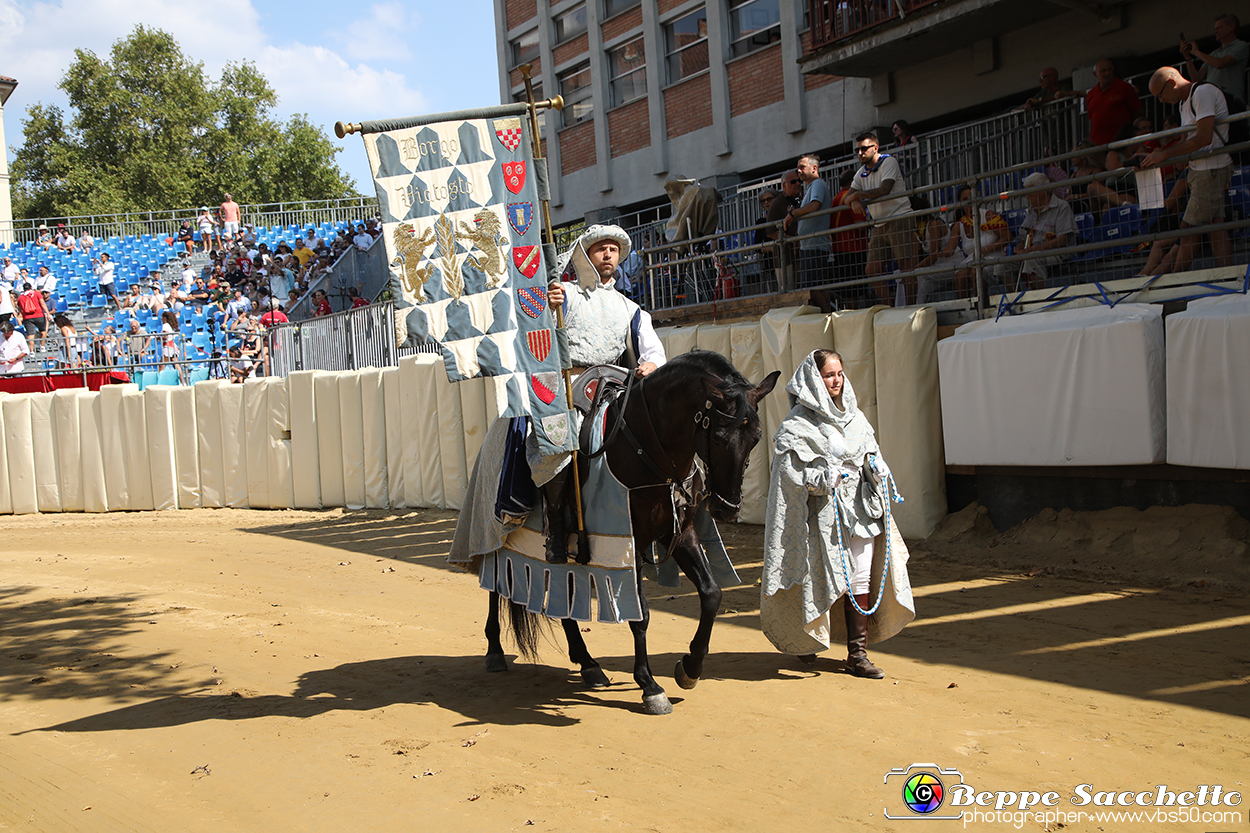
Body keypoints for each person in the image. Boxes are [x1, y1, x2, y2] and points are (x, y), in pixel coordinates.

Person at [760, 349, 913, 677]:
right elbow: (789, 475)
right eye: (830, 375)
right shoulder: (797, 425)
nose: (837, 381)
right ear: (815, 378)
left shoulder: (856, 418)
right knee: (819, 578)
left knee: (860, 576)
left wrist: (876, 466)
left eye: (840, 374)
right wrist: (821, 479)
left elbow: (869, 452)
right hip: (820, 519)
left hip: (860, 510)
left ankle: (857, 654)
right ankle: (808, 638)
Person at [543, 224, 667, 562]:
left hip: (616, 386)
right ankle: (555, 527)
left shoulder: (631, 308)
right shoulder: (562, 293)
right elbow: (536, 333)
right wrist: (545, 304)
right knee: (556, 440)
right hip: (570, 385)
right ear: (586, 254)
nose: (609, 253)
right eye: (601, 248)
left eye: (614, 249)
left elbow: (653, 350)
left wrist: (652, 366)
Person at [1140, 66, 1234, 275]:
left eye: (1161, 95)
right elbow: (1189, 141)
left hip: (1212, 169)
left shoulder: (1202, 93)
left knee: (1188, 229)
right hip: (1202, 170)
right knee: (1215, 224)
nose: (1162, 101)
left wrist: (1165, 154)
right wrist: (1158, 155)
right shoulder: (1185, 102)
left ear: (1172, 83)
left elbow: (1203, 137)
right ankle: (1229, 275)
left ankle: (1176, 280)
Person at [845, 131, 917, 305]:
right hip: (878, 224)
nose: (860, 153)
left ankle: (913, 307)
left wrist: (857, 196)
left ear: (875, 148)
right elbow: (847, 197)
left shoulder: (889, 161)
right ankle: (889, 308)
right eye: (857, 150)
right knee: (872, 269)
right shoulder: (861, 172)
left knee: (907, 267)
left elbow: (884, 189)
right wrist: (853, 200)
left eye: (864, 148)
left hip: (900, 218)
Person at [1015, 172, 1077, 291]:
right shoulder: (1032, 210)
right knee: (1002, 266)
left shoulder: (1062, 206)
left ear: (1043, 191)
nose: (1027, 197)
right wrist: (1020, 247)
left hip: (1054, 253)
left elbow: (1061, 240)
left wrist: (1031, 250)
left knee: (1031, 259)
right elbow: (1023, 236)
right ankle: (1018, 298)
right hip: (1031, 251)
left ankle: (1039, 297)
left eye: (1030, 194)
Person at [952, 184, 1011, 297]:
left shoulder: (989, 215)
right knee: (960, 275)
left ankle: (981, 307)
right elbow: (949, 249)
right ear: (960, 202)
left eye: (972, 197)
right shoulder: (959, 224)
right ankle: (965, 310)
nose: (969, 201)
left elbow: (1008, 237)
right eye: (965, 199)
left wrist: (987, 249)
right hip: (971, 259)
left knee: (976, 272)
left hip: (992, 258)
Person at [787, 153, 832, 288]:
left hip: (815, 246)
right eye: (797, 168)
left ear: (814, 168)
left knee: (812, 288)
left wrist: (793, 213)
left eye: (802, 167)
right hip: (809, 245)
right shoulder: (812, 187)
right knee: (813, 287)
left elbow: (814, 206)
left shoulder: (818, 184)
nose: (799, 171)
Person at [1182, 13, 1248, 101]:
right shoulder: (1213, 54)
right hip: (1213, 101)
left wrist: (1196, 52)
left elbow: (1220, 64)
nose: (1215, 31)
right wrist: (1188, 57)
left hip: (1231, 100)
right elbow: (1197, 78)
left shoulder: (1241, 45)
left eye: (1219, 28)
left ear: (1231, 27)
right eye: (1215, 29)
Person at [1085, 59, 1143, 147]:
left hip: (1121, 143)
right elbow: (1092, 119)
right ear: (1095, 74)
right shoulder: (1091, 94)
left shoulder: (1125, 87)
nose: (1107, 73)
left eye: (1109, 69)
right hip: (1097, 145)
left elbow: (1138, 111)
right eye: (1103, 71)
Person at [765, 171, 803, 291]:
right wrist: (791, 239)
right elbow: (770, 231)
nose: (797, 184)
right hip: (784, 257)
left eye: (799, 181)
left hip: (801, 253)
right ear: (784, 185)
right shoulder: (777, 203)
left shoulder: (799, 200)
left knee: (802, 287)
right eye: (793, 182)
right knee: (788, 289)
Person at [17, 282, 50, 348]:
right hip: (39, 315)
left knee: (30, 333)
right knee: (43, 330)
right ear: (31, 287)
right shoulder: (37, 294)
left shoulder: (20, 297)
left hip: (27, 317)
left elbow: (20, 308)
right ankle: (42, 346)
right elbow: (42, 304)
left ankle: (32, 350)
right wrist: (48, 313)